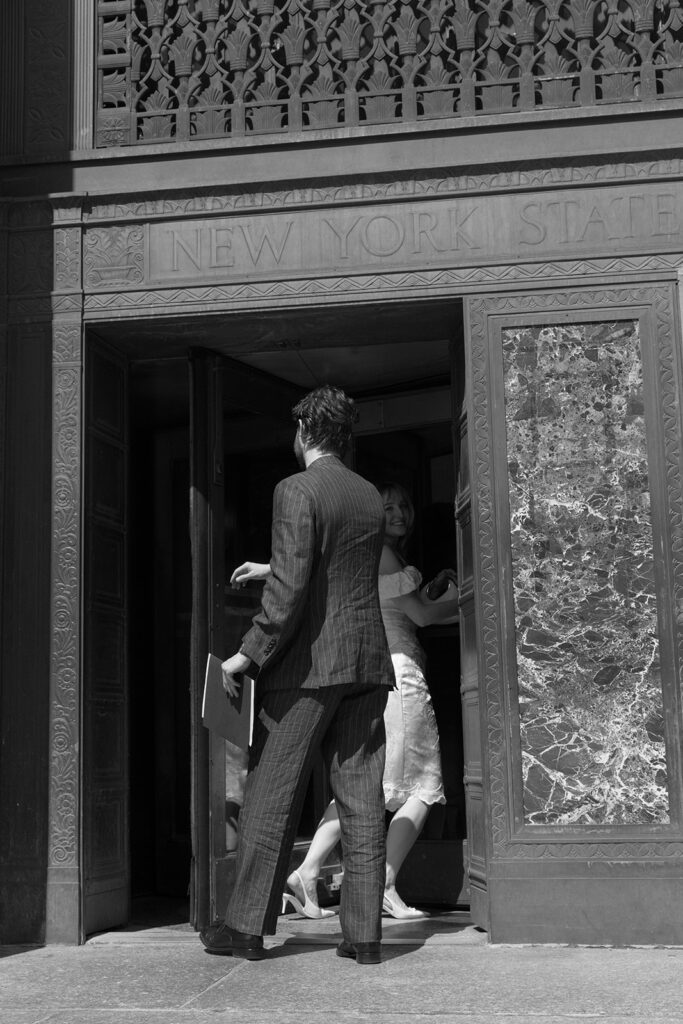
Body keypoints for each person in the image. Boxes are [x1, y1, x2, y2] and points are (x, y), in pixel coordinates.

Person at [199, 385, 395, 966]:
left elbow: (288, 596)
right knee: (361, 799)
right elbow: (333, 568)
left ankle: (243, 928)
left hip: (308, 670)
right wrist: (271, 566)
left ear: (306, 430)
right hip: (365, 663)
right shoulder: (368, 497)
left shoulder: (295, 489)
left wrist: (245, 655)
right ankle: (363, 936)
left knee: (270, 796)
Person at [235, 483, 459, 922]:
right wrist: (465, 598)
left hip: (390, 670)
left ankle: (307, 872)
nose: (397, 513)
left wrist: (270, 568)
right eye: (387, 506)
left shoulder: (371, 552)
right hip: (402, 674)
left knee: (375, 785)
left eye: (403, 505)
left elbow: (322, 568)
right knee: (424, 784)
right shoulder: (384, 554)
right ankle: (383, 883)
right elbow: (420, 616)